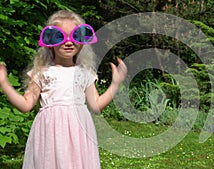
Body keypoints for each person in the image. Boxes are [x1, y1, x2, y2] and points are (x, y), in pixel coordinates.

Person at [0, 10, 127, 169]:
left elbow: (96, 105)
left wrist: (115, 84)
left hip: (79, 132)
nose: (68, 42)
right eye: (60, 36)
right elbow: (26, 105)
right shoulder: (42, 72)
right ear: (49, 42)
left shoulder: (84, 72)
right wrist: (5, 84)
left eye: (75, 36)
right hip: (51, 133)